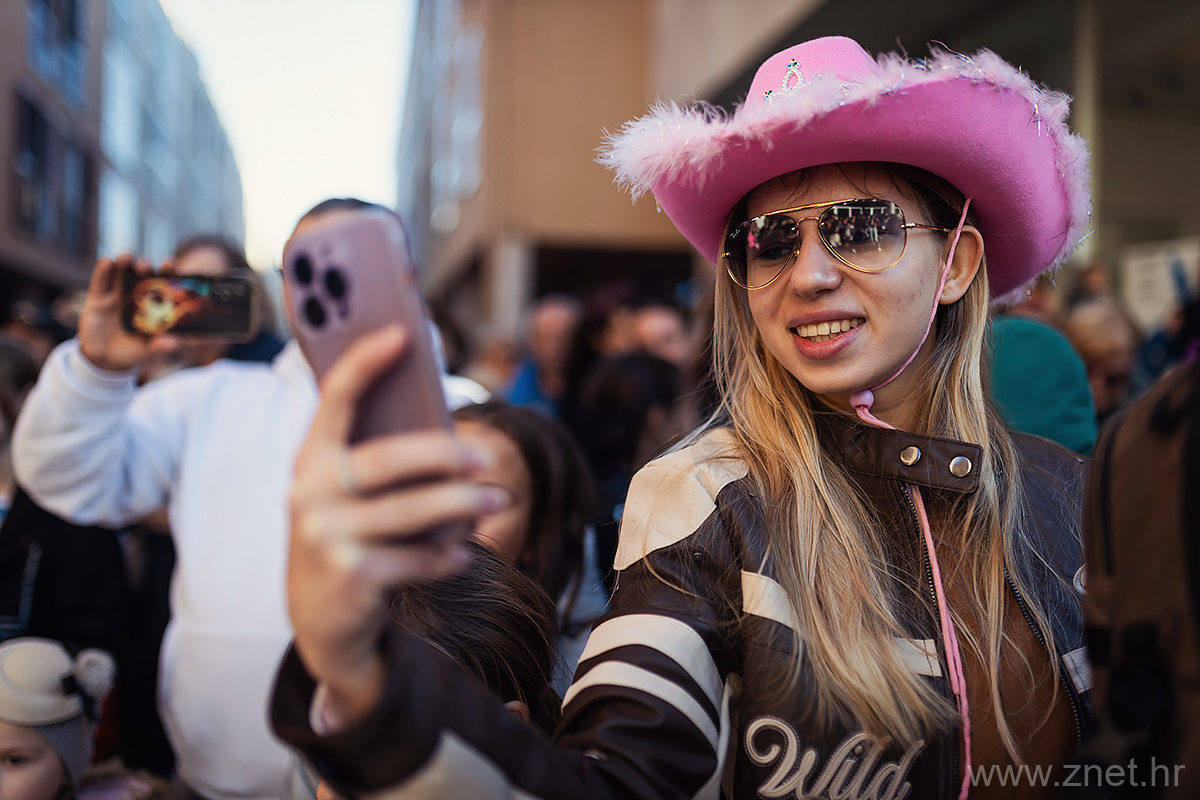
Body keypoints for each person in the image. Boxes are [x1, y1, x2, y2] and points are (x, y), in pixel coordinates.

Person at [273, 37, 1094, 798]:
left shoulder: (1078, 497)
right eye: (771, 241)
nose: (808, 274)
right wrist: (357, 668)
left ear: (956, 264)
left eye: (859, 228)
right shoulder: (699, 496)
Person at [11, 200, 480, 800]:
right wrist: (96, 372)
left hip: (404, 775)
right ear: (283, 289)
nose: (332, 283)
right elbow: (63, 479)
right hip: (215, 773)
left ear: (407, 274)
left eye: (361, 259)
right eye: (304, 267)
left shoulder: (467, 411)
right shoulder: (208, 397)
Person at [450, 400, 605, 692]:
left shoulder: (578, 686)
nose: (449, 514)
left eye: (484, 500)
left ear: (535, 536)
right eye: (433, 486)